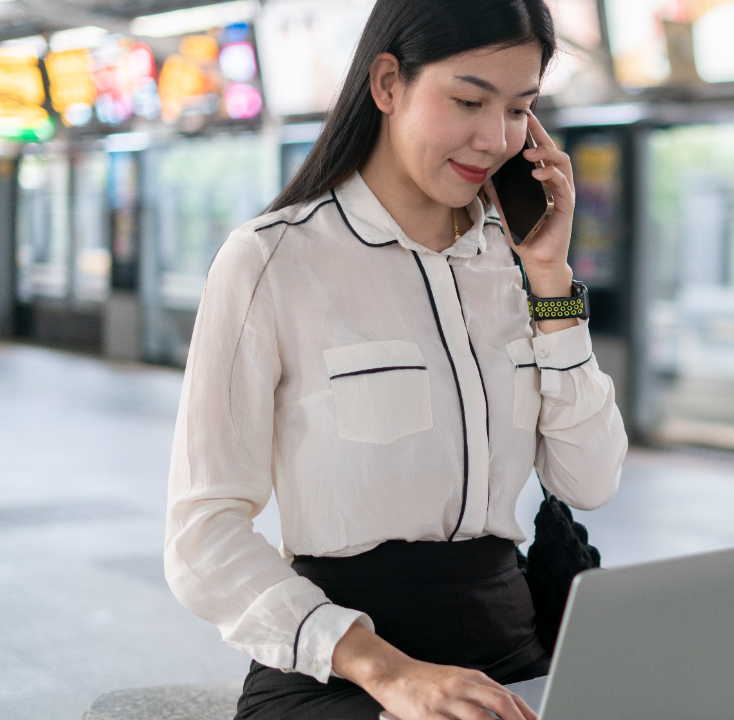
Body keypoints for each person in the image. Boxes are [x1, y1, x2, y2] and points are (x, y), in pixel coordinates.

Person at [163, 2, 628, 719]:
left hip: (512, 654)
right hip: (340, 668)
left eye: (519, 110)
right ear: (387, 83)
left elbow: (589, 480)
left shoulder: (516, 268)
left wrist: (551, 284)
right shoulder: (271, 261)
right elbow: (202, 535)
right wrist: (387, 670)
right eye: (468, 101)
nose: (495, 138)